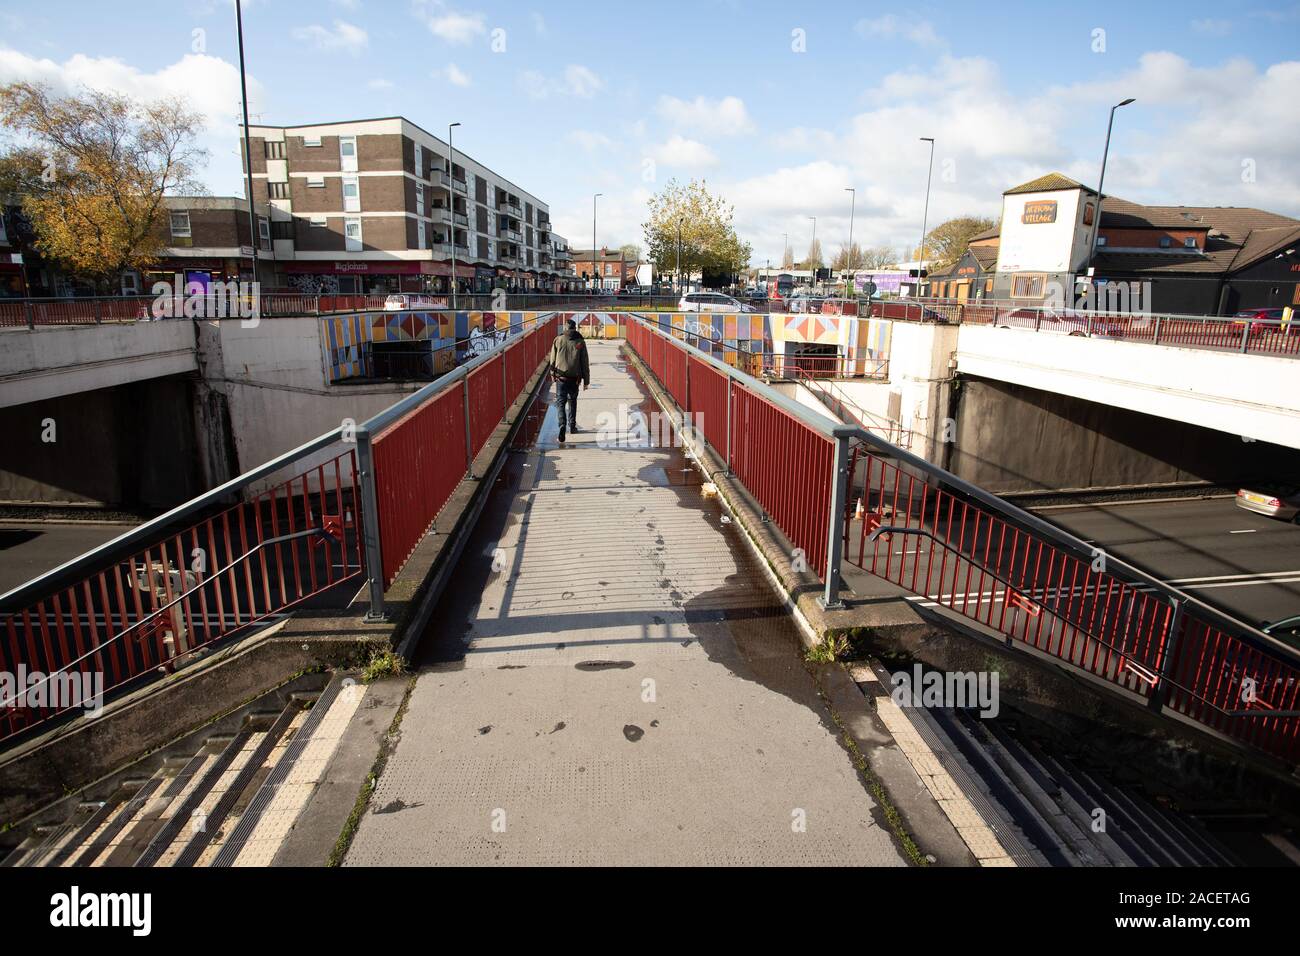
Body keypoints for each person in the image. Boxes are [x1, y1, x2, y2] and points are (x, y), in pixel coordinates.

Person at [548, 318, 589, 442]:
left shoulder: (558, 340)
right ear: (574, 328)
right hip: (575, 378)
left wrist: (552, 374)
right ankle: (572, 426)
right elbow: (584, 362)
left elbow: (552, 360)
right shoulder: (580, 342)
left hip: (561, 377)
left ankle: (562, 425)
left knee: (561, 402)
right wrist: (586, 380)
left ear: (565, 328)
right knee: (572, 400)